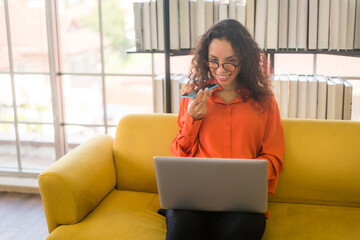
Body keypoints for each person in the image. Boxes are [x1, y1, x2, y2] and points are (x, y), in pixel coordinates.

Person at [161, 19, 284, 240]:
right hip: (194, 198)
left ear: (244, 61)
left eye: (230, 62)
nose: (221, 70)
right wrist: (193, 119)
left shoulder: (265, 101)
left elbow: (275, 158)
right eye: (213, 62)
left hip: (243, 205)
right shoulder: (193, 95)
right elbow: (180, 153)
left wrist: (244, 175)